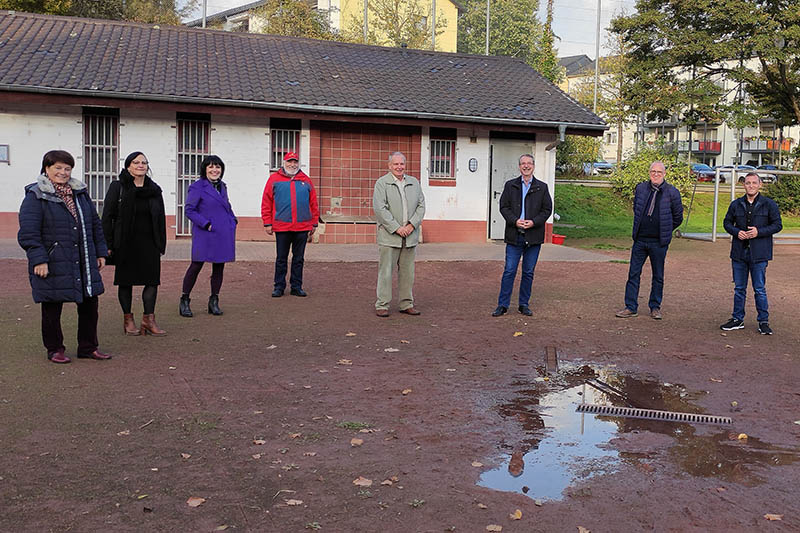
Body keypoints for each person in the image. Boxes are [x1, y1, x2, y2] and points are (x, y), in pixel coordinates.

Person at [18, 150, 112, 363]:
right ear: (47, 169)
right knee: (52, 305)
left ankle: (88, 347)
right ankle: (55, 349)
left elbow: (95, 224)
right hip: (53, 260)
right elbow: (28, 233)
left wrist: (100, 252)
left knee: (90, 304)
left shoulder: (80, 193)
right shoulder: (36, 196)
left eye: (67, 168)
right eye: (58, 168)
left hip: (83, 258)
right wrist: (39, 259)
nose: (63, 172)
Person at [102, 151, 167, 336]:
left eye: (144, 162)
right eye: (136, 162)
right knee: (126, 281)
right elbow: (108, 216)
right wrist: (107, 243)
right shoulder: (118, 187)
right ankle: (128, 320)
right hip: (125, 242)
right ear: (128, 166)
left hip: (149, 242)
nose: (141, 165)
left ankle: (148, 320)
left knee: (152, 281)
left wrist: (161, 243)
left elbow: (160, 217)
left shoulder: (155, 190)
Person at [616, 161, 683, 320]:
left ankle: (655, 307)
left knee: (658, 275)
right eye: (653, 171)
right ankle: (630, 307)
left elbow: (678, 217)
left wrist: (665, 229)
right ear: (649, 173)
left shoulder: (672, 192)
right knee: (633, 274)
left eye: (659, 172)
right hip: (640, 240)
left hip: (659, 242)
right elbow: (637, 209)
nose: (656, 174)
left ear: (664, 174)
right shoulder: (640, 189)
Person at [720, 172, 782, 334]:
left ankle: (763, 321)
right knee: (739, 288)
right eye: (748, 183)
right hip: (739, 253)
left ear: (760, 184)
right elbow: (726, 223)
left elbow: (777, 225)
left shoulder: (769, 204)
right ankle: (737, 319)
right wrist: (736, 232)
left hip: (759, 253)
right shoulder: (736, 204)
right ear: (744, 185)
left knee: (759, 288)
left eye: (754, 183)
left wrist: (759, 232)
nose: (751, 186)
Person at [492, 154, 553, 317]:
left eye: (529, 163)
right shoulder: (510, 185)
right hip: (514, 235)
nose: (526, 166)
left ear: (533, 166)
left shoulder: (542, 187)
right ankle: (502, 305)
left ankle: (523, 304)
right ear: (519, 167)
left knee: (528, 272)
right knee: (509, 270)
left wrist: (533, 222)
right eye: (523, 164)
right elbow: (504, 207)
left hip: (533, 237)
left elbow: (547, 210)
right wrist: (514, 220)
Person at [180, 155, 238, 317]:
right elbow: (189, 210)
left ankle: (214, 301)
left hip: (223, 232)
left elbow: (226, 205)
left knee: (219, 266)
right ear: (205, 169)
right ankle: (184, 299)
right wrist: (206, 224)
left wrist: (233, 220)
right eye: (211, 167)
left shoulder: (222, 186)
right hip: (205, 232)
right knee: (196, 265)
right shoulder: (197, 187)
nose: (215, 170)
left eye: (218, 167)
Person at [373, 151, 426, 317]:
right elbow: (380, 209)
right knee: (386, 272)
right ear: (389, 166)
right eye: (395, 164)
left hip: (410, 236)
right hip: (390, 236)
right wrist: (396, 228)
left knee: (408, 273)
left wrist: (411, 225)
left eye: (401, 164)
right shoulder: (382, 183)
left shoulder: (414, 182)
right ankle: (382, 304)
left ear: (405, 165)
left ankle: (406, 303)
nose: (399, 167)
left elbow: (421, 206)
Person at [261, 152, 319, 297]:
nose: (292, 165)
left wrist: (314, 223)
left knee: (298, 259)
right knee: (281, 258)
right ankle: (279, 287)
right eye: (289, 162)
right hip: (282, 226)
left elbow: (313, 203)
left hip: (302, 227)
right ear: (284, 162)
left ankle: (296, 286)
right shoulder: (274, 179)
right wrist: (267, 222)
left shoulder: (306, 180)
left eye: (295, 162)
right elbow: (266, 202)